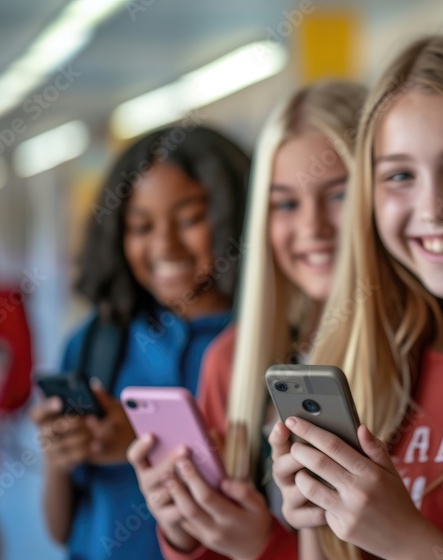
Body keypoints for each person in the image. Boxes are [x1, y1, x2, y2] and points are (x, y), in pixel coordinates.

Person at [268, 34, 443, 560]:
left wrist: (407, 542)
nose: (433, 207)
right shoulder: (359, 364)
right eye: (400, 176)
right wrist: (313, 524)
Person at [127, 80, 366, 560]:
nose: (312, 228)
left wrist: (264, 547)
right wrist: (184, 528)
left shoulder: (420, 352)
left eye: (338, 195)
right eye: (286, 204)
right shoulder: (233, 361)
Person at [31, 126, 249, 560]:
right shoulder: (95, 341)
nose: (164, 245)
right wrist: (61, 459)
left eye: (189, 219)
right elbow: (61, 530)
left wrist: (141, 444)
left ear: (236, 216)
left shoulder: (265, 345)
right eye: (140, 226)